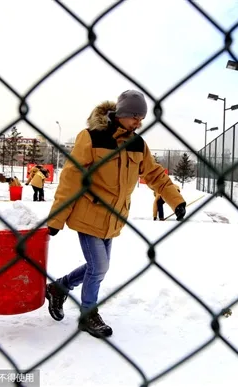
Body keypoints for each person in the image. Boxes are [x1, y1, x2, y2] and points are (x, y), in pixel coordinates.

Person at [45, 90, 187, 338]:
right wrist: (56, 218)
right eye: (134, 116)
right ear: (120, 114)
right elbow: (71, 178)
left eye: (141, 117)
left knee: (97, 266)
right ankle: (88, 314)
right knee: (99, 267)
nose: (138, 122)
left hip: (114, 218)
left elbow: (154, 174)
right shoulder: (91, 137)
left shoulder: (137, 144)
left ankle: (59, 288)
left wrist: (175, 200)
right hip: (87, 214)